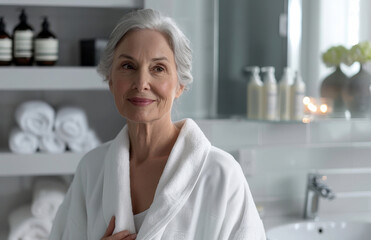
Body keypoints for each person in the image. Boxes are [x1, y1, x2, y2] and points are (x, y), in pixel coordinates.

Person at [50, 8, 266, 240]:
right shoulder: (92, 169)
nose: (141, 82)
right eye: (128, 66)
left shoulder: (221, 174)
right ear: (110, 79)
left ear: (180, 85)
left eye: (158, 69)